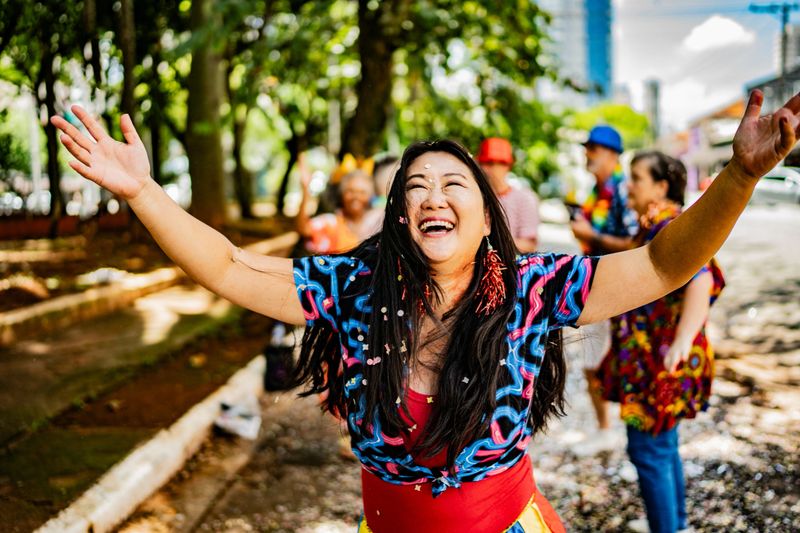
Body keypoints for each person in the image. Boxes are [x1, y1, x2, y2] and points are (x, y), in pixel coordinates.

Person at [51, 89, 799, 532]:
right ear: (400, 217)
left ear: (486, 217)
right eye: (416, 187)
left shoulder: (535, 289)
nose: (433, 195)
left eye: (454, 184)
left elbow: (665, 264)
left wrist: (738, 176)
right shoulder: (353, 290)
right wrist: (143, 192)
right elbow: (226, 265)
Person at [594, 152, 724, 533]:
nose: (628, 185)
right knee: (662, 448)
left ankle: (667, 526)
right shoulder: (658, 224)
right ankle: (674, 523)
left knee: (648, 451)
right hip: (653, 360)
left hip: (658, 364)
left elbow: (703, 278)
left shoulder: (668, 224)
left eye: (636, 177)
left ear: (661, 187)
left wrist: (681, 341)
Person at [570, 125, 639, 436]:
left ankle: (623, 432)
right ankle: (605, 430)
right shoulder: (595, 192)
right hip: (597, 288)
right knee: (591, 362)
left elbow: (636, 244)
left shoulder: (624, 189)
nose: (588, 154)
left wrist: (591, 235)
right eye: (587, 148)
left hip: (622, 294)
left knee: (620, 364)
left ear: (612, 155)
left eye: (594, 149)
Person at [295, 153, 383, 254]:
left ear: (370, 195)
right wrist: (305, 190)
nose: (356, 197)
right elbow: (303, 229)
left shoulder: (378, 222)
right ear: (342, 194)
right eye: (350, 191)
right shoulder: (332, 222)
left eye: (362, 192)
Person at [477, 137, 540, 253]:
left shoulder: (525, 198)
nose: (485, 169)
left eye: (491, 163)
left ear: (506, 166)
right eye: (482, 163)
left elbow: (529, 245)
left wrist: (493, 241)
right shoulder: (475, 198)